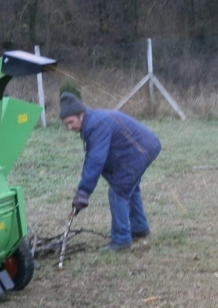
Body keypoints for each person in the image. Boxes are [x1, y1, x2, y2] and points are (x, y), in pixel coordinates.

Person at [60, 92, 161, 251]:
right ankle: (140, 228)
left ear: (81, 115)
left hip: (140, 151)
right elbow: (93, 155)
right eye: (66, 124)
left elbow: (96, 159)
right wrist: (83, 191)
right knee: (129, 188)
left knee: (118, 192)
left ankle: (121, 240)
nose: (69, 127)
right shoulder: (94, 121)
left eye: (71, 122)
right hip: (143, 147)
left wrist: (84, 191)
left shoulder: (97, 124)